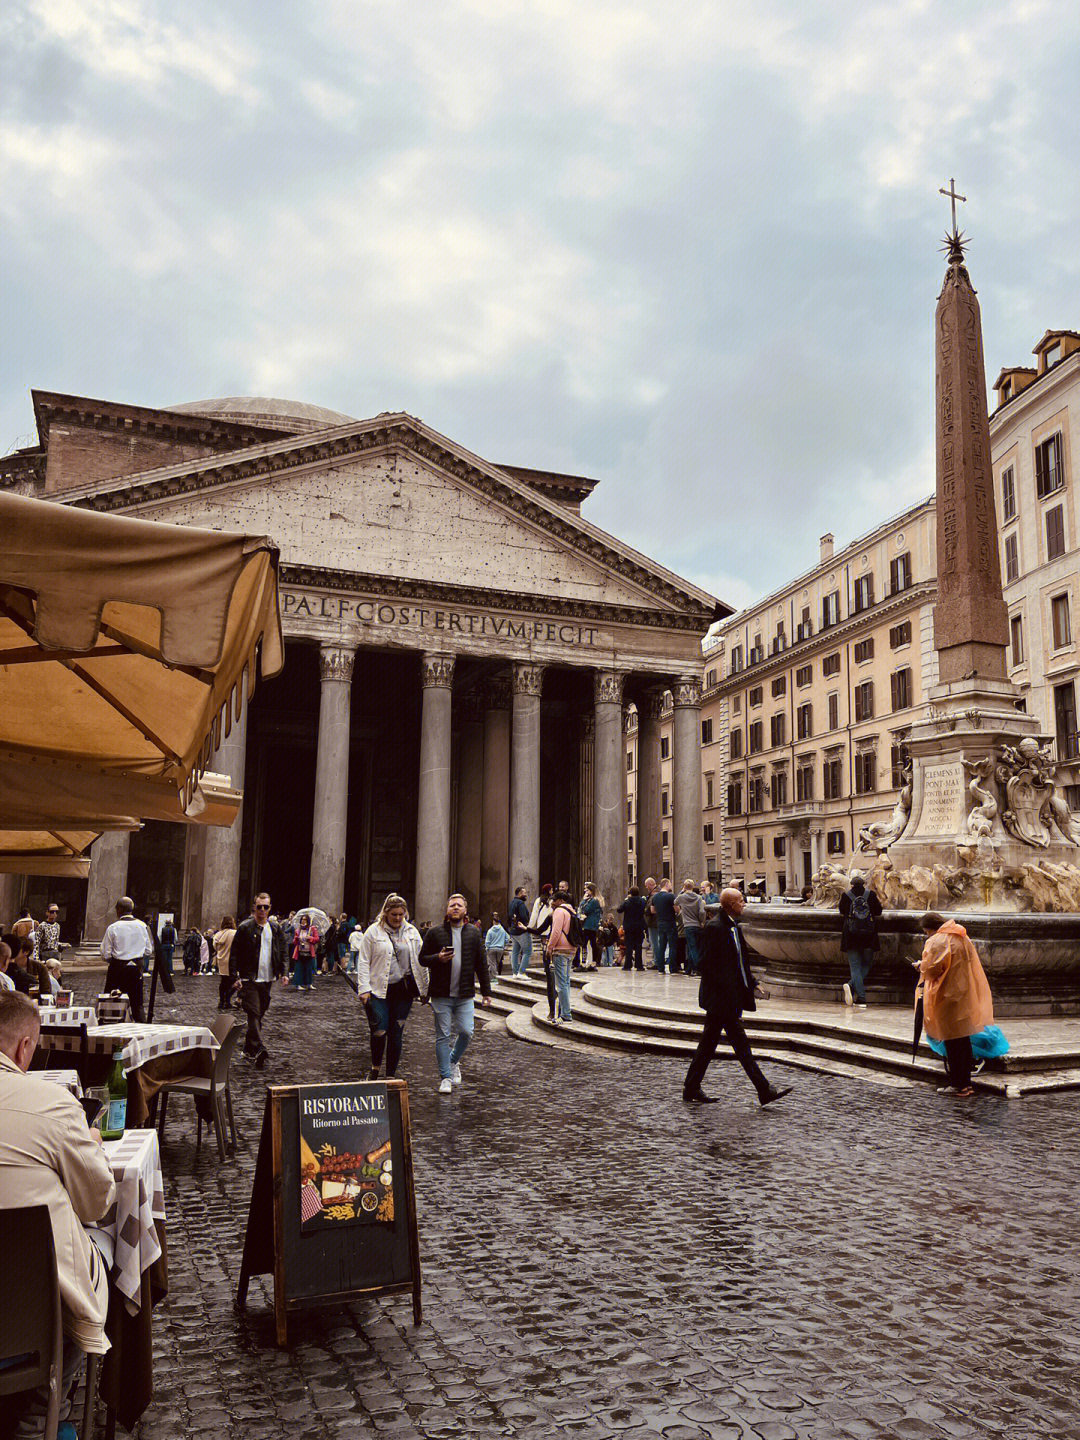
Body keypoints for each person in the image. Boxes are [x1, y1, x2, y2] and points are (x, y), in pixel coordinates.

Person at [0, 991, 116, 1437]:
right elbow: (97, 1202)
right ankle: (50, 1409)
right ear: (24, 1048)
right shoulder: (51, 1104)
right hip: (28, 1316)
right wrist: (93, 1145)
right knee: (98, 1252)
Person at [683, 887, 793, 1108]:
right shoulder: (715, 928)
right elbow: (703, 962)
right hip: (721, 1000)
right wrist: (727, 987)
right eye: (741, 901)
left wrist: (752, 983)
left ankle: (691, 1087)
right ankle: (764, 1090)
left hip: (726, 999)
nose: (744, 904)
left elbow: (740, 961)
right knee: (741, 1047)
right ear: (731, 905)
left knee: (709, 1045)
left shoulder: (733, 927)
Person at [418, 894, 493, 1094]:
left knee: (467, 1032)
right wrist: (438, 958)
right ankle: (445, 1078)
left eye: (459, 905)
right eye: (452, 905)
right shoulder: (434, 933)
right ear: (447, 909)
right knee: (442, 1035)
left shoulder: (474, 933)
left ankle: (452, 1061)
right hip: (441, 994)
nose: (456, 908)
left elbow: (481, 964)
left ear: (465, 910)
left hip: (465, 994)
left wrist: (486, 992)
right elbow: (422, 959)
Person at [916, 912, 995, 1097]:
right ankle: (966, 1084)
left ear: (930, 928)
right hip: (964, 994)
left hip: (947, 996)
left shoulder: (937, 941)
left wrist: (920, 966)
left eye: (926, 931)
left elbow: (932, 969)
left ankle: (957, 1084)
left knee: (951, 1042)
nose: (927, 935)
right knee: (963, 1039)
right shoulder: (961, 936)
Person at [355, 893, 428, 1080]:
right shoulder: (373, 932)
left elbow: (421, 961)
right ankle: (375, 1068)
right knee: (379, 1030)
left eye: (401, 914)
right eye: (394, 914)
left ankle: (390, 1075)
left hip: (403, 991)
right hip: (379, 989)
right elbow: (363, 961)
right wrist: (363, 988)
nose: (397, 918)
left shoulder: (412, 932)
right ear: (386, 912)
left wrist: (425, 989)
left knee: (396, 1033)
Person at [230, 892, 288, 1067]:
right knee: (253, 1012)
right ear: (254, 907)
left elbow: (283, 951)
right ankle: (259, 1048)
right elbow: (234, 953)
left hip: (267, 978)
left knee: (260, 1013)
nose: (262, 910)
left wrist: (284, 972)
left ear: (270, 908)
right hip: (250, 978)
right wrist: (235, 976)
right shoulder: (245, 927)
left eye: (266, 907)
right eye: (259, 906)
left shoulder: (276, 928)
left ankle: (249, 1048)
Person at [100, 896, 151, 1020]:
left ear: (119, 909)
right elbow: (148, 950)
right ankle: (141, 1028)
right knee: (137, 1003)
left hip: (118, 968)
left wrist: (117, 960)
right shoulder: (142, 926)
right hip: (136, 968)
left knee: (112, 1000)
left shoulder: (113, 927)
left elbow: (105, 953)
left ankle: (111, 1027)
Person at [839, 870, 882, 1009]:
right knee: (867, 964)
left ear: (851, 885)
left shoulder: (846, 896)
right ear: (864, 884)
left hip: (851, 935)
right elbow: (878, 911)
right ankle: (851, 985)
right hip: (869, 935)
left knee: (855, 966)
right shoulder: (871, 895)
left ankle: (861, 996)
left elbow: (842, 911)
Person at [545, 896, 577, 1022]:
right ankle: (565, 1011)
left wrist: (549, 947)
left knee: (561, 983)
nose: (552, 903)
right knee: (566, 982)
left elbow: (556, 931)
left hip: (560, 949)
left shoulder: (559, 911)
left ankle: (566, 1013)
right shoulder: (572, 911)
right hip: (571, 949)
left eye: (554, 900)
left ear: (561, 901)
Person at [675, 880, 706, 977]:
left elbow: (675, 902)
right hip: (697, 924)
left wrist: (682, 891)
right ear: (693, 887)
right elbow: (702, 912)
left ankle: (698, 968)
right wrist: (702, 921)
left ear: (684, 886)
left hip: (688, 925)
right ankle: (689, 969)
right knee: (695, 947)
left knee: (692, 948)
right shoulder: (699, 897)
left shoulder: (682, 897)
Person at [650, 879, 677, 973]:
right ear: (666, 884)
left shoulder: (655, 897)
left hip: (660, 922)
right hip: (670, 922)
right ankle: (672, 968)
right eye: (670, 884)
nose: (671, 885)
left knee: (662, 945)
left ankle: (661, 968)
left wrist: (661, 911)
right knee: (672, 945)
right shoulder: (670, 896)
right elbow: (676, 909)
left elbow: (652, 910)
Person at [617, 885, 647, 971]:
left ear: (630, 893)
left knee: (629, 946)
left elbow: (619, 910)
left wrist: (625, 900)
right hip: (639, 926)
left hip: (629, 927)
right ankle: (639, 965)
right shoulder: (642, 901)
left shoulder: (627, 901)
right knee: (638, 946)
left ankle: (627, 965)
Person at [290, 913, 320, 992]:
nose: (303, 921)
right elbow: (294, 942)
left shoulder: (312, 929)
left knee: (309, 969)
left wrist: (310, 938)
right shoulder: (298, 929)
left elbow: (317, 939)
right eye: (302, 920)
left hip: (309, 952)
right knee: (299, 968)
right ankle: (298, 984)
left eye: (305, 920)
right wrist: (297, 938)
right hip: (299, 952)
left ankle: (309, 984)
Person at [213, 915, 237, 1011]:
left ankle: (222, 1001)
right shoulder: (235, 933)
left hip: (221, 960)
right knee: (235, 982)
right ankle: (227, 999)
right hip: (232, 961)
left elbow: (215, 947)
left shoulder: (218, 934)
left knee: (223, 982)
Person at [507, 886, 533, 976]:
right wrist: (526, 924)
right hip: (521, 930)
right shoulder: (520, 903)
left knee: (515, 952)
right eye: (524, 893)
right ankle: (521, 972)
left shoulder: (512, 903)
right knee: (528, 951)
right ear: (520, 894)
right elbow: (523, 916)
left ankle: (515, 972)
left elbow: (509, 916)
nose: (526, 895)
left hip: (513, 931)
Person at [578, 882, 603, 969]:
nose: (585, 891)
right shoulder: (596, 900)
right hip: (593, 925)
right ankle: (593, 963)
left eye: (587, 890)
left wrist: (583, 900)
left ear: (592, 891)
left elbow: (585, 909)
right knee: (593, 944)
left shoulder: (593, 901)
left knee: (584, 944)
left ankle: (583, 963)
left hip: (588, 924)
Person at [484, 913, 509, 984]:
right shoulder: (502, 930)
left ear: (493, 922)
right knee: (496, 963)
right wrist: (504, 944)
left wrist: (487, 948)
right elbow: (508, 938)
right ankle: (492, 976)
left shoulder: (490, 930)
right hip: (500, 949)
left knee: (492, 963)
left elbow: (487, 941)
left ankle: (495, 977)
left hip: (491, 949)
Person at [642, 877, 659, 963]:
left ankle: (656, 961)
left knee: (655, 942)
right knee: (655, 942)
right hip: (654, 922)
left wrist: (644, 909)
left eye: (646, 886)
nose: (646, 888)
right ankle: (656, 960)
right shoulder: (654, 893)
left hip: (653, 922)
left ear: (650, 884)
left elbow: (650, 909)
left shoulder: (654, 894)